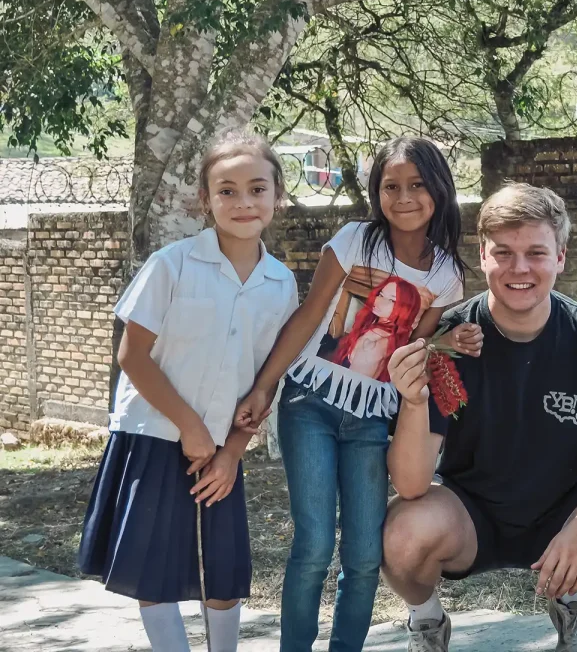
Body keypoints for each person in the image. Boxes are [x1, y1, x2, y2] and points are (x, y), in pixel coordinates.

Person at [382, 182, 577, 652]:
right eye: (504, 253)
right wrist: (412, 401)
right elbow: (410, 484)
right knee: (403, 536)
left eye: (535, 252)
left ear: (561, 257)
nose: (520, 268)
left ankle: (575, 602)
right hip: (468, 513)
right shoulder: (451, 341)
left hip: (564, 507)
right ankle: (426, 622)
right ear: (483, 255)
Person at [232, 138, 478, 652]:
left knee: (365, 554)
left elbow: (411, 346)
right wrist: (263, 387)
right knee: (316, 545)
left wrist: (445, 342)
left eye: (416, 185)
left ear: (439, 190)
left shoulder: (447, 274)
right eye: (391, 186)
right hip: (311, 405)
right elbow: (306, 317)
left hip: (370, 419)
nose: (404, 197)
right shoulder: (354, 240)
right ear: (376, 191)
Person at [78, 130, 298, 652]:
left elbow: (264, 382)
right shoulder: (171, 265)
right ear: (205, 199)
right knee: (153, 572)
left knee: (223, 572)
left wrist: (231, 453)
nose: (243, 201)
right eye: (226, 190)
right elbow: (132, 356)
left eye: (256, 188)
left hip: (222, 450)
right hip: (153, 437)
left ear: (277, 195)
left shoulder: (281, 283)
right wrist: (191, 426)